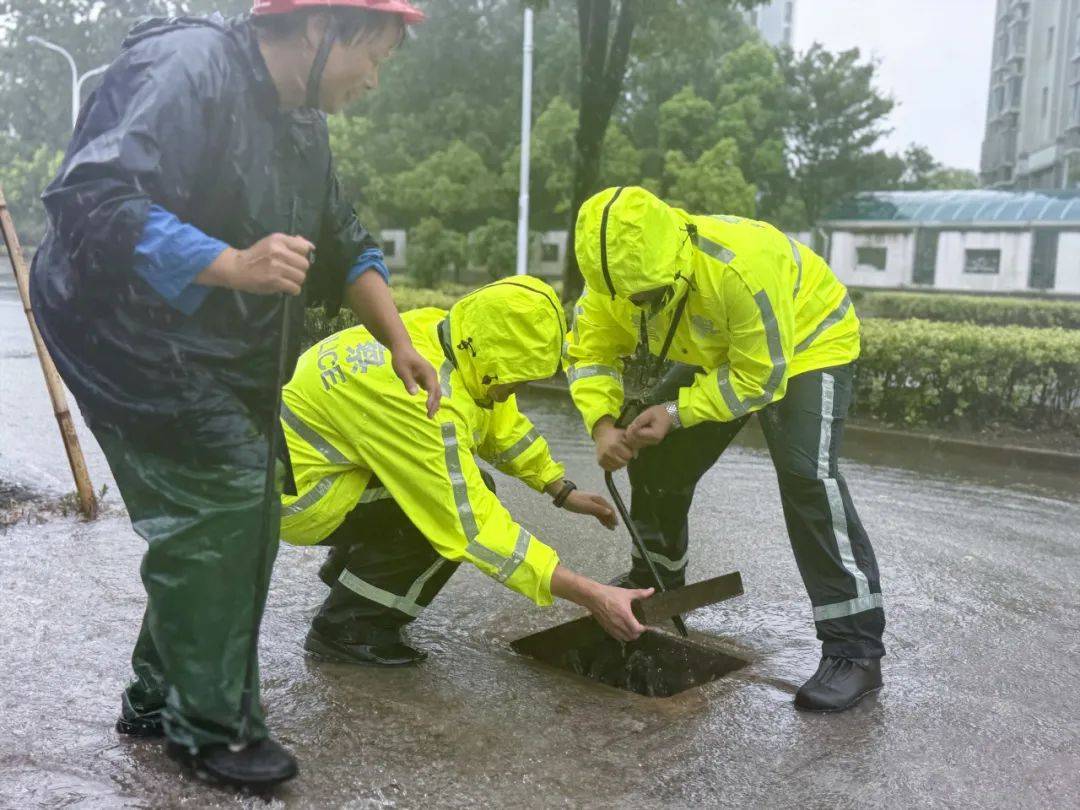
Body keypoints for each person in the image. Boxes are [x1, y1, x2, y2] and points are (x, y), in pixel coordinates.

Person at [29, 0, 436, 789]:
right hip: (115, 322)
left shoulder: (303, 123)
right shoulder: (186, 67)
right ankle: (210, 729)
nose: (374, 79)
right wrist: (229, 264)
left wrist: (400, 341)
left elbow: (342, 235)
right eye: (375, 55)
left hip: (219, 341)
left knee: (241, 505)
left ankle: (158, 696)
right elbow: (92, 200)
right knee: (225, 494)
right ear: (318, 29)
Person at [564, 186, 886, 712]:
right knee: (655, 456)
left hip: (808, 341)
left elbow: (758, 378)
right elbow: (589, 353)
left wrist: (675, 412)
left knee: (807, 476)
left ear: (675, 264)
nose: (637, 307)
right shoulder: (613, 283)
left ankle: (855, 649)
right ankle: (657, 583)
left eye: (649, 297)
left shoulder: (737, 269)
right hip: (717, 343)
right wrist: (602, 425)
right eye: (628, 298)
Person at [280, 276, 655, 661]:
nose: (516, 391)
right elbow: (472, 525)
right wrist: (591, 595)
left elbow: (499, 422)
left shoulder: (443, 333)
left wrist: (559, 488)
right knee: (441, 514)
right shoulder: (422, 399)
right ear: (493, 363)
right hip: (299, 498)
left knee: (444, 489)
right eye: (516, 381)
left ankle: (351, 573)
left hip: (300, 466)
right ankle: (348, 629)